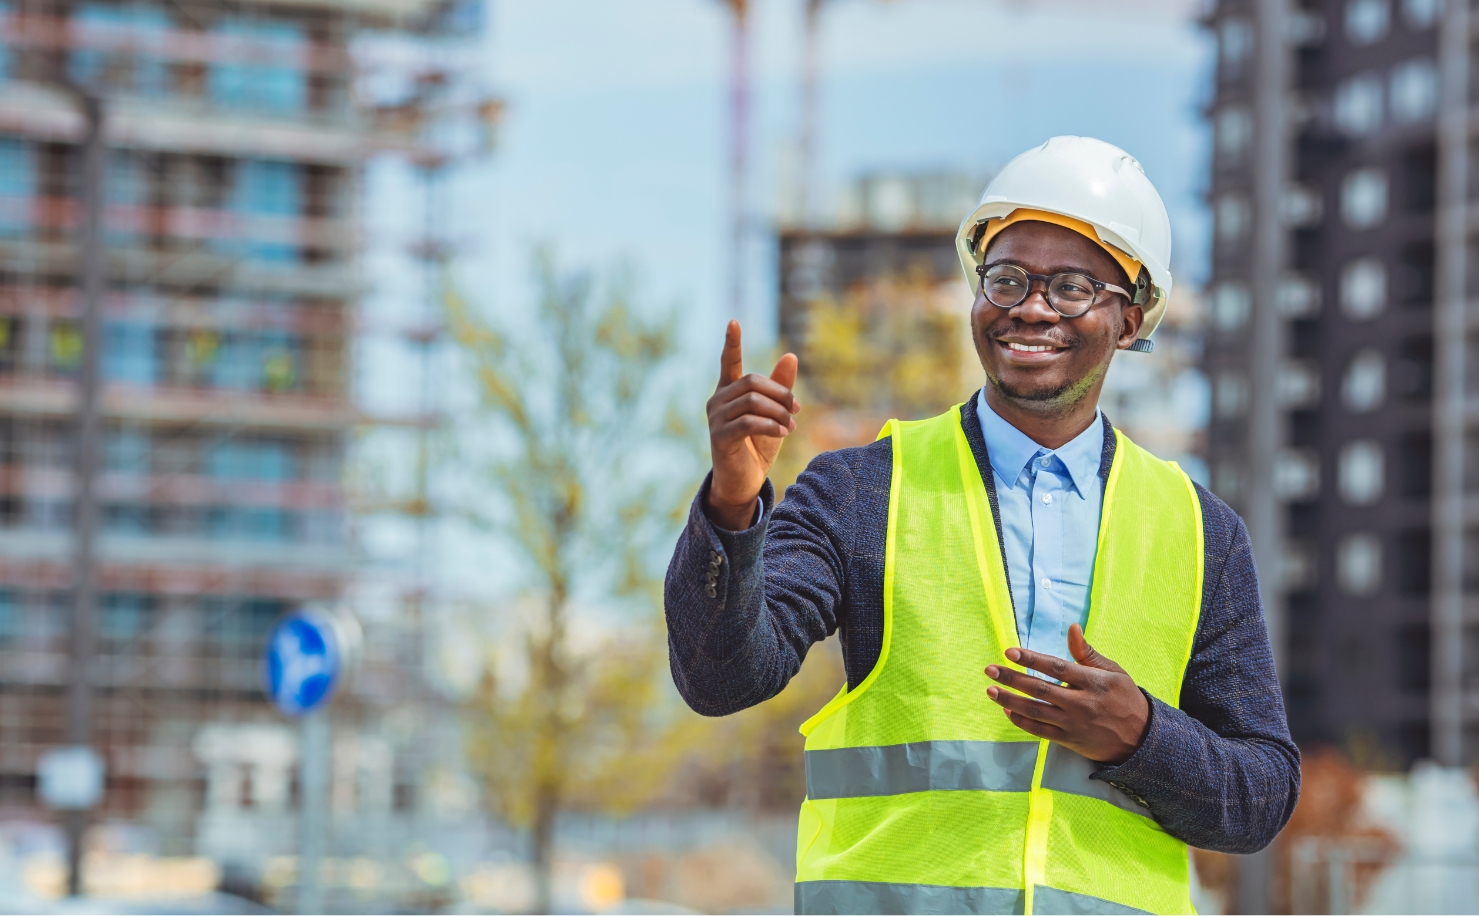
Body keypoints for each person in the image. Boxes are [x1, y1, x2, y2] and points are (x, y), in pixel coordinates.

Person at [664, 136, 1299, 915]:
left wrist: (1140, 736)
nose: (1029, 307)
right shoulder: (863, 489)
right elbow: (722, 678)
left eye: (1070, 287)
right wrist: (732, 508)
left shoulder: (1201, 531)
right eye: (1005, 279)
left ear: (1129, 319)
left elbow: (1260, 798)